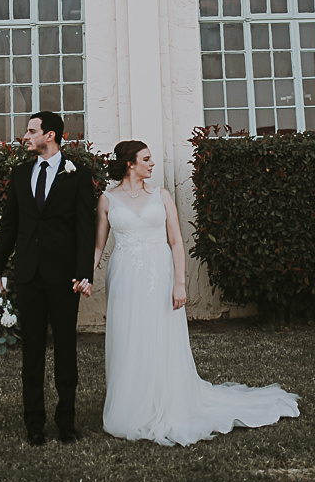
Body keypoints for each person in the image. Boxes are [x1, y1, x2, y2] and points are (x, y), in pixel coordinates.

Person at [93, 140, 300, 446]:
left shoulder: (161, 196)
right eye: (146, 159)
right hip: (124, 278)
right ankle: (133, 404)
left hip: (158, 276)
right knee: (129, 338)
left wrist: (180, 282)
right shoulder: (108, 199)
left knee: (160, 338)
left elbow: (176, 242)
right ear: (129, 163)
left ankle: (166, 399)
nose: (152, 164)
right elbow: (98, 246)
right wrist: (85, 276)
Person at [0, 111, 95, 445]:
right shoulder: (20, 173)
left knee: (66, 351)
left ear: (49, 135)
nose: (25, 135)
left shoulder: (78, 175)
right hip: (29, 276)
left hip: (65, 279)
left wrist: (83, 274)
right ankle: (34, 424)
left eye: (31, 130)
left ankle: (66, 423)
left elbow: (85, 229)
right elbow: (11, 225)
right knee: (32, 353)